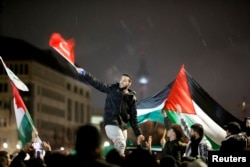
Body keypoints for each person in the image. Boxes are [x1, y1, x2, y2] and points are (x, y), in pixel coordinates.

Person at [76, 67, 145, 156]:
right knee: (121, 144)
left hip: (123, 126)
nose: (121, 82)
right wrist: (84, 74)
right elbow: (97, 84)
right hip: (111, 122)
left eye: (124, 80)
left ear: (129, 83)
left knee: (121, 148)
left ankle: (114, 161)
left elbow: (133, 118)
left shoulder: (132, 98)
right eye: (121, 79)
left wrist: (138, 134)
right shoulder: (112, 89)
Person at [44, 124, 119, 167]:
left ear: (77, 143)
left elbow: (50, 159)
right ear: (97, 145)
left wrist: (48, 151)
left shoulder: (64, 163)